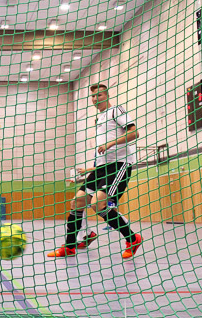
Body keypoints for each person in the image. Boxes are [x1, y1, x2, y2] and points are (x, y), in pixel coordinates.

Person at [48, 83, 142, 259]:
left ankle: (132, 238)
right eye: (93, 96)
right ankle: (69, 247)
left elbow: (134, 132)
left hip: (119, 165)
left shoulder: (116, 111)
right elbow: (103, 155)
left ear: (106, 95)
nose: (95, 99)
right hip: (102, 168)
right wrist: (88, 170)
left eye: (99, 95)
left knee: (98, 204)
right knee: (77, 203)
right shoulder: (99, 119)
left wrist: (111, 143)